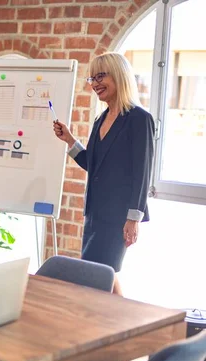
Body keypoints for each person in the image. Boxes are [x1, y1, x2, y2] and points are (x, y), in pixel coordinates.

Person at [53, 52, 155, 295]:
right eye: (92, 79)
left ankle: (115, 324)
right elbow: (92, 163)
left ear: (119, 76)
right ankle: (124, 325)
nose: (95, 83)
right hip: (95, 214)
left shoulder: (139, 119)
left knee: (96, 275)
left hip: (118, 218)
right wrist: (69, 140)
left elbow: (143, 173)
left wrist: (133, 219)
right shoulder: (101, 119)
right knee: (102, 276)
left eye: (101, 76)